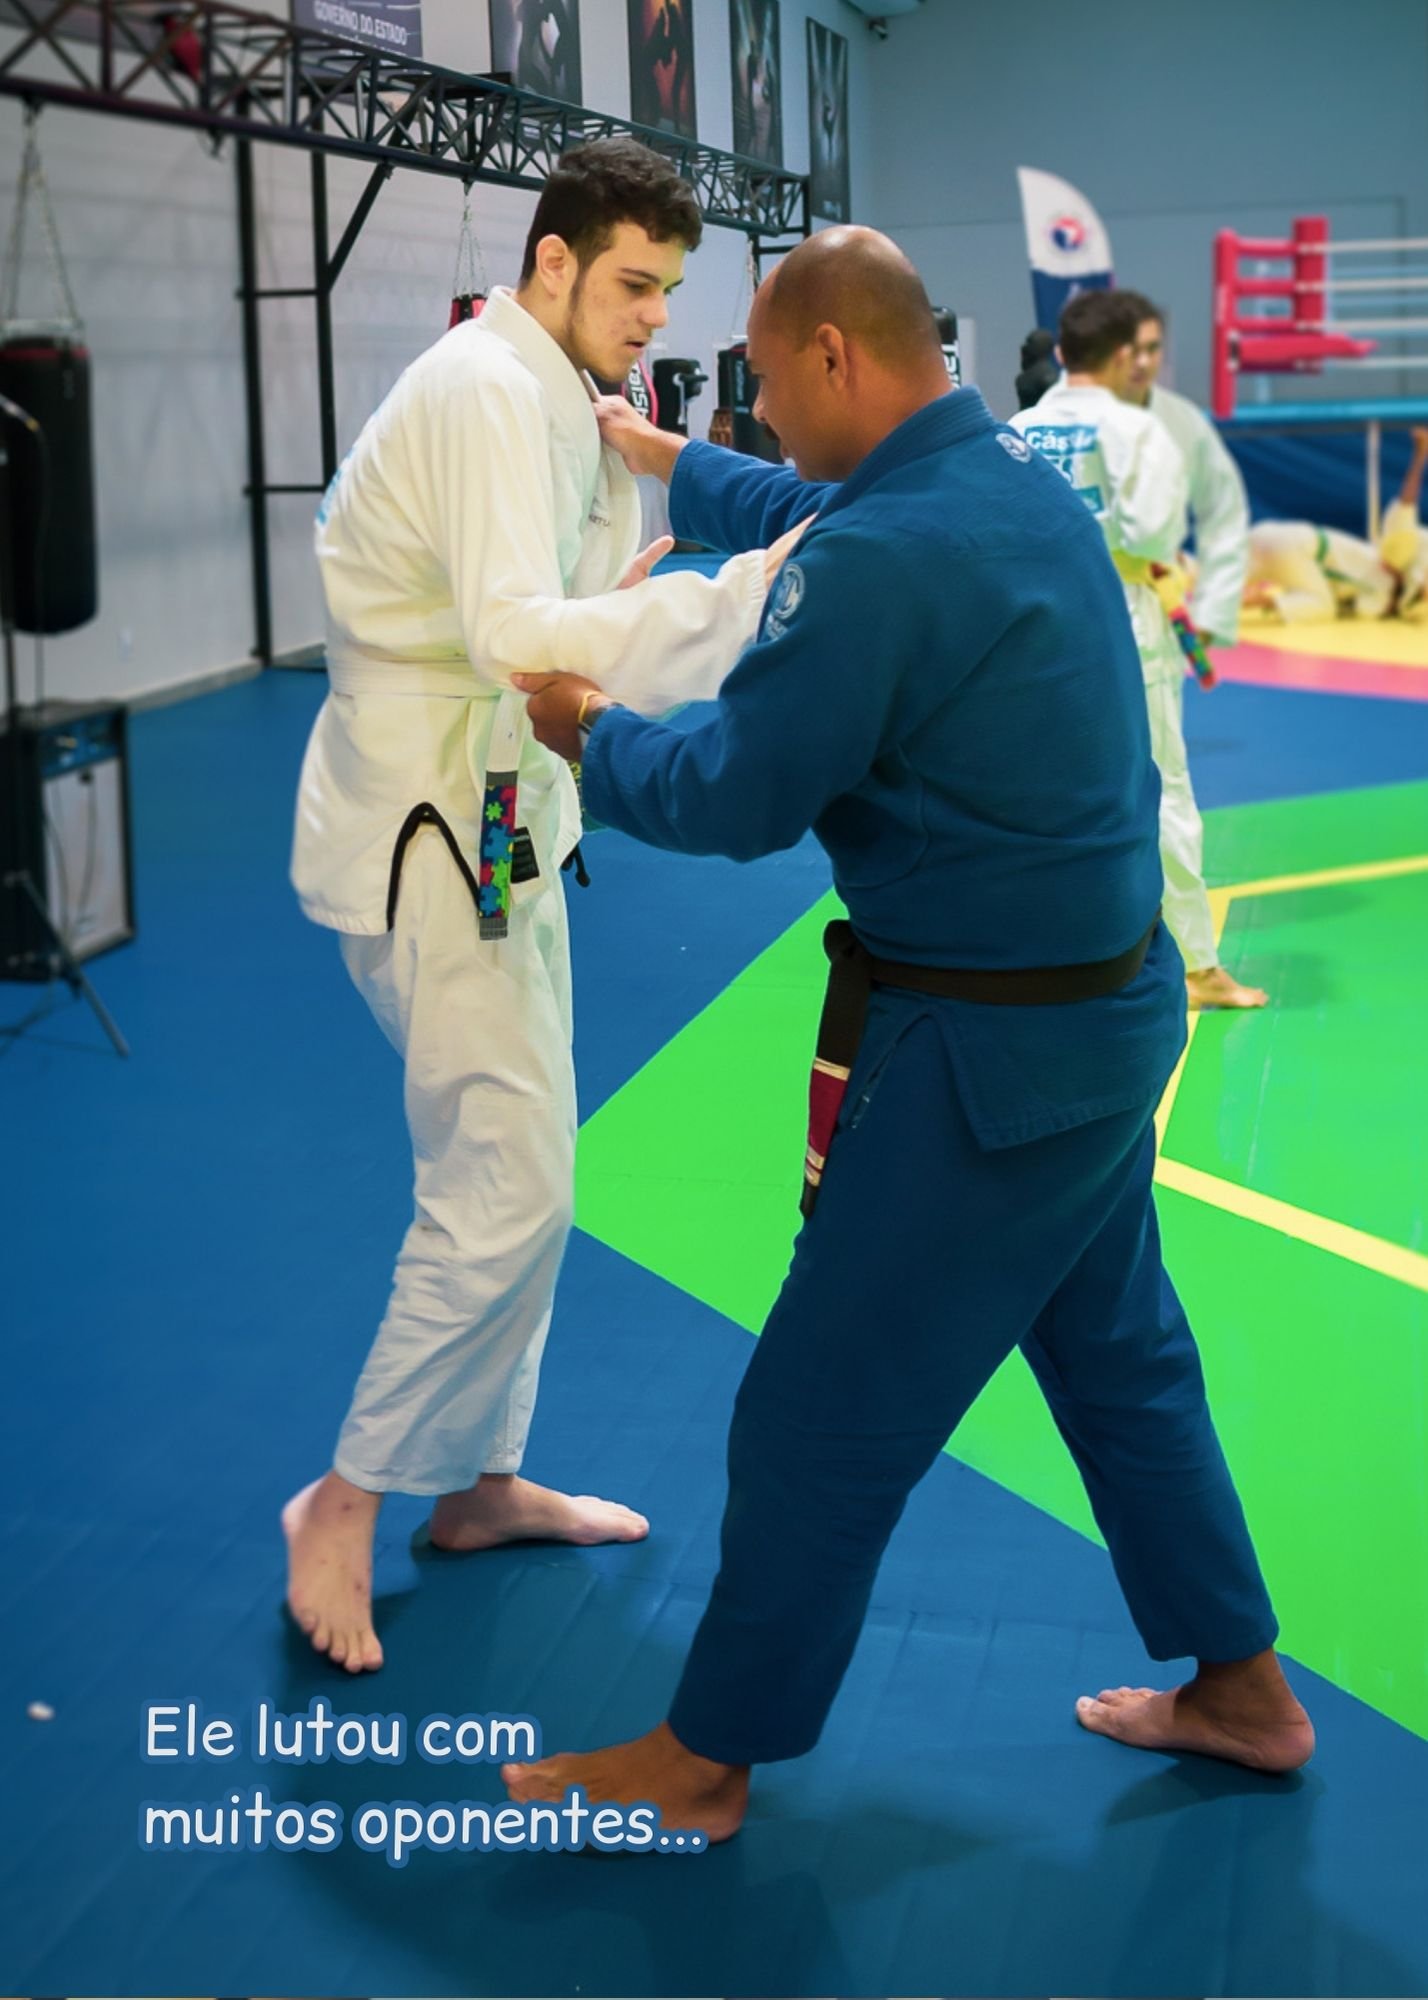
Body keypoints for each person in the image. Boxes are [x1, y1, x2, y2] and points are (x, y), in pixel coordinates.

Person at [499, 227, 1313, 1841]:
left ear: (830, 357)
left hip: (987, 1067)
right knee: (1118, 1359)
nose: (756, 412)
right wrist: (669, 463)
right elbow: (820, 507)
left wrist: (591, 730)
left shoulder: (879, 560)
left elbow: (738, 791)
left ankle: (706, 1760)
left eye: (759, 380)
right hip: (1106, 1022)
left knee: (813, 1413)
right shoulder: (1006, 481)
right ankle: (1242, 1686)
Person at [284, 138, 791, 1674]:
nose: (655, 315)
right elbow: (518, 633)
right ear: (553, 262)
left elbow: (554, 612)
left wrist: (636, 589)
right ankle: (345, 1499)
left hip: (498, 817)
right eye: (634, 283)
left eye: (669, 289)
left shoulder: (560, 393)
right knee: (503, 1178)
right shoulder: (486, 389)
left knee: (531, 1169)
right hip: (426, 823)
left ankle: (479, 1481)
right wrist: (736, 597)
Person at [1008, 290, 1267, 1012]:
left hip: (1031, 632)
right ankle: (1194, 966)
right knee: (1163, 791)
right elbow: (1151, 535)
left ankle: (1046, 958)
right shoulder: (1137, 430)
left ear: (1063, 353)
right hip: (1122, 628)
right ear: (1125, 356)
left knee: (1042, 792)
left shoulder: (1016, 430)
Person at [1121, 290, 1251, 651]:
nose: (1143, 361)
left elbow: (1224, 513)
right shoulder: (1070, 417)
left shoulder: (1183, 422)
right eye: (1133, 349)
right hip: (1087, 605)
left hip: (1160, 607)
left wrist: (1212, 613)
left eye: (1153, 349)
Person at [1244, 427, 1428, 622]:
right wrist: (1419, 456)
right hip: (1291, 549)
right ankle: (1260, 600)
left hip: (1271, 534)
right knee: (1322, 607)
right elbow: (1406, 506)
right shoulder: (1392, 564)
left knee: (1221, 587)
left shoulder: (1378, 573)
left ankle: (1247, 597)